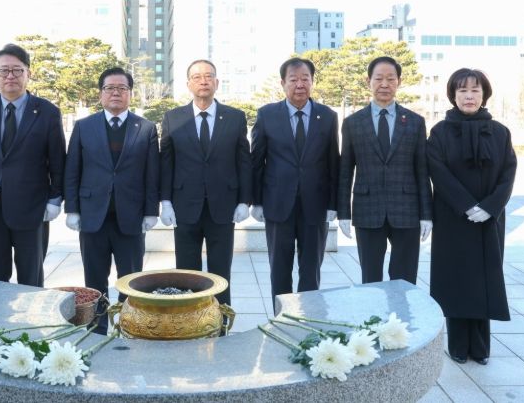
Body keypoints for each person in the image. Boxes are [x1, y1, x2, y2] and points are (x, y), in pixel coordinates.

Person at [0, 43, 66, 287]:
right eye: (4, 70)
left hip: (31, 209)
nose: (10, 76)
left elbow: (58, 160)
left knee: (31, 281)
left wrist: (55, 198)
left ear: (28, 73)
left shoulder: (47, 112)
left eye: (17, 70)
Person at [427, 68, 517, 365]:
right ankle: (457, 345)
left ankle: (480, 347)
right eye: (463, 90)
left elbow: (508, 173)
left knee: (483, 280)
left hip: (488, 220)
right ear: (453, 95)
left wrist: (490, 207)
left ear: (484, 94)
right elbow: (438, 171)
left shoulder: (500, 132)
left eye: (475, 90)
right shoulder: (440, 132)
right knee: (455, 279)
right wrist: (466, 205)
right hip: (453, 218)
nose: (469, 96)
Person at [64, 67, 160, 334]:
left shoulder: (146, 128)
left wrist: (151, 211)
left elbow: (152, 174)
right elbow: (72, 170)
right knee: (94, 281)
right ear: (101, 93)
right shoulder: (84, 127)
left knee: (131, 281)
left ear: (130, 93)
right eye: (109, 88)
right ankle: (97, 331)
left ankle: (128, 328)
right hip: (92, 217)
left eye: (122, 88)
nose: (115, 93)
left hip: (130, 218)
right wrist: (72, 209)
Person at [159, 59, 252, 307]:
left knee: (221, 273)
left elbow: (244, 161)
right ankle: (189, 320)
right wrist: (165, 201)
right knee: (186, 272)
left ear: (217, 82)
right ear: (188, 84)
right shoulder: (173, 118)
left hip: (223, 206)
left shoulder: (235, 117)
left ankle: (220, 319)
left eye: (209, 76)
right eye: (197, 77)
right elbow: (166, 163)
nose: (203, 81)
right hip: (184, 206)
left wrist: (245, 200)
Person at [250, 58, 339, 304]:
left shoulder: (327, 116)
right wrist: (256, 201)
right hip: (278, 204)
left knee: (311, 271)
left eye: (305, 79)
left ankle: (308, 319)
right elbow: (256, 161)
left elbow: (334, 162)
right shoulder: (267, 115)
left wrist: (334, 204)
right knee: (279, 270)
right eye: (293, 79)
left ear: (312, 81)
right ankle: (282, 320)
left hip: (315, 206)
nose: (300, 84)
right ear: (283, 83)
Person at [337, 56, 433, 284]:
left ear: (399, 82)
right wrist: (343, 213)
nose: (384, 84)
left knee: (405, 279)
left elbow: (422, 171)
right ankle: (374, 310)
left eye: (391, 79)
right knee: (370, 280)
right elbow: (345, 172)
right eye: (379, 78)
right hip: (367, 210)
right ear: (368, 81)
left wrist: (426, 215)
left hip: (407, 211)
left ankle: (401, 309)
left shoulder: (415, 122)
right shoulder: (353, 123)